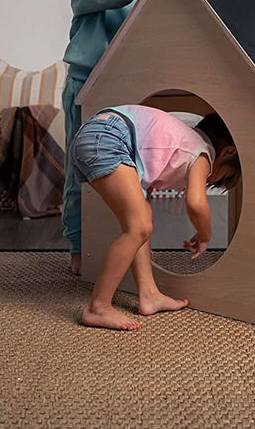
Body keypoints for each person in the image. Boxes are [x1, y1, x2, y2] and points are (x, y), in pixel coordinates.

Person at [68, 105, 241, 331]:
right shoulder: (203, 153)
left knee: (141, 219)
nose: (210, 180)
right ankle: (98, 307)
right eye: (220, 177)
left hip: (100, 132)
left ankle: (149, 294)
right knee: (139, 226)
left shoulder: (178, 143)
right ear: (227, 152)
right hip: (109, 136)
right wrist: (204, 234)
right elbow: (197, 203)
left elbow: (144, 198)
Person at [62, 0, 151, 275]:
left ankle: (128, 247)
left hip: (121, 91)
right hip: (86, 87)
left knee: (127, 172)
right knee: (79, 171)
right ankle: (79, 249)